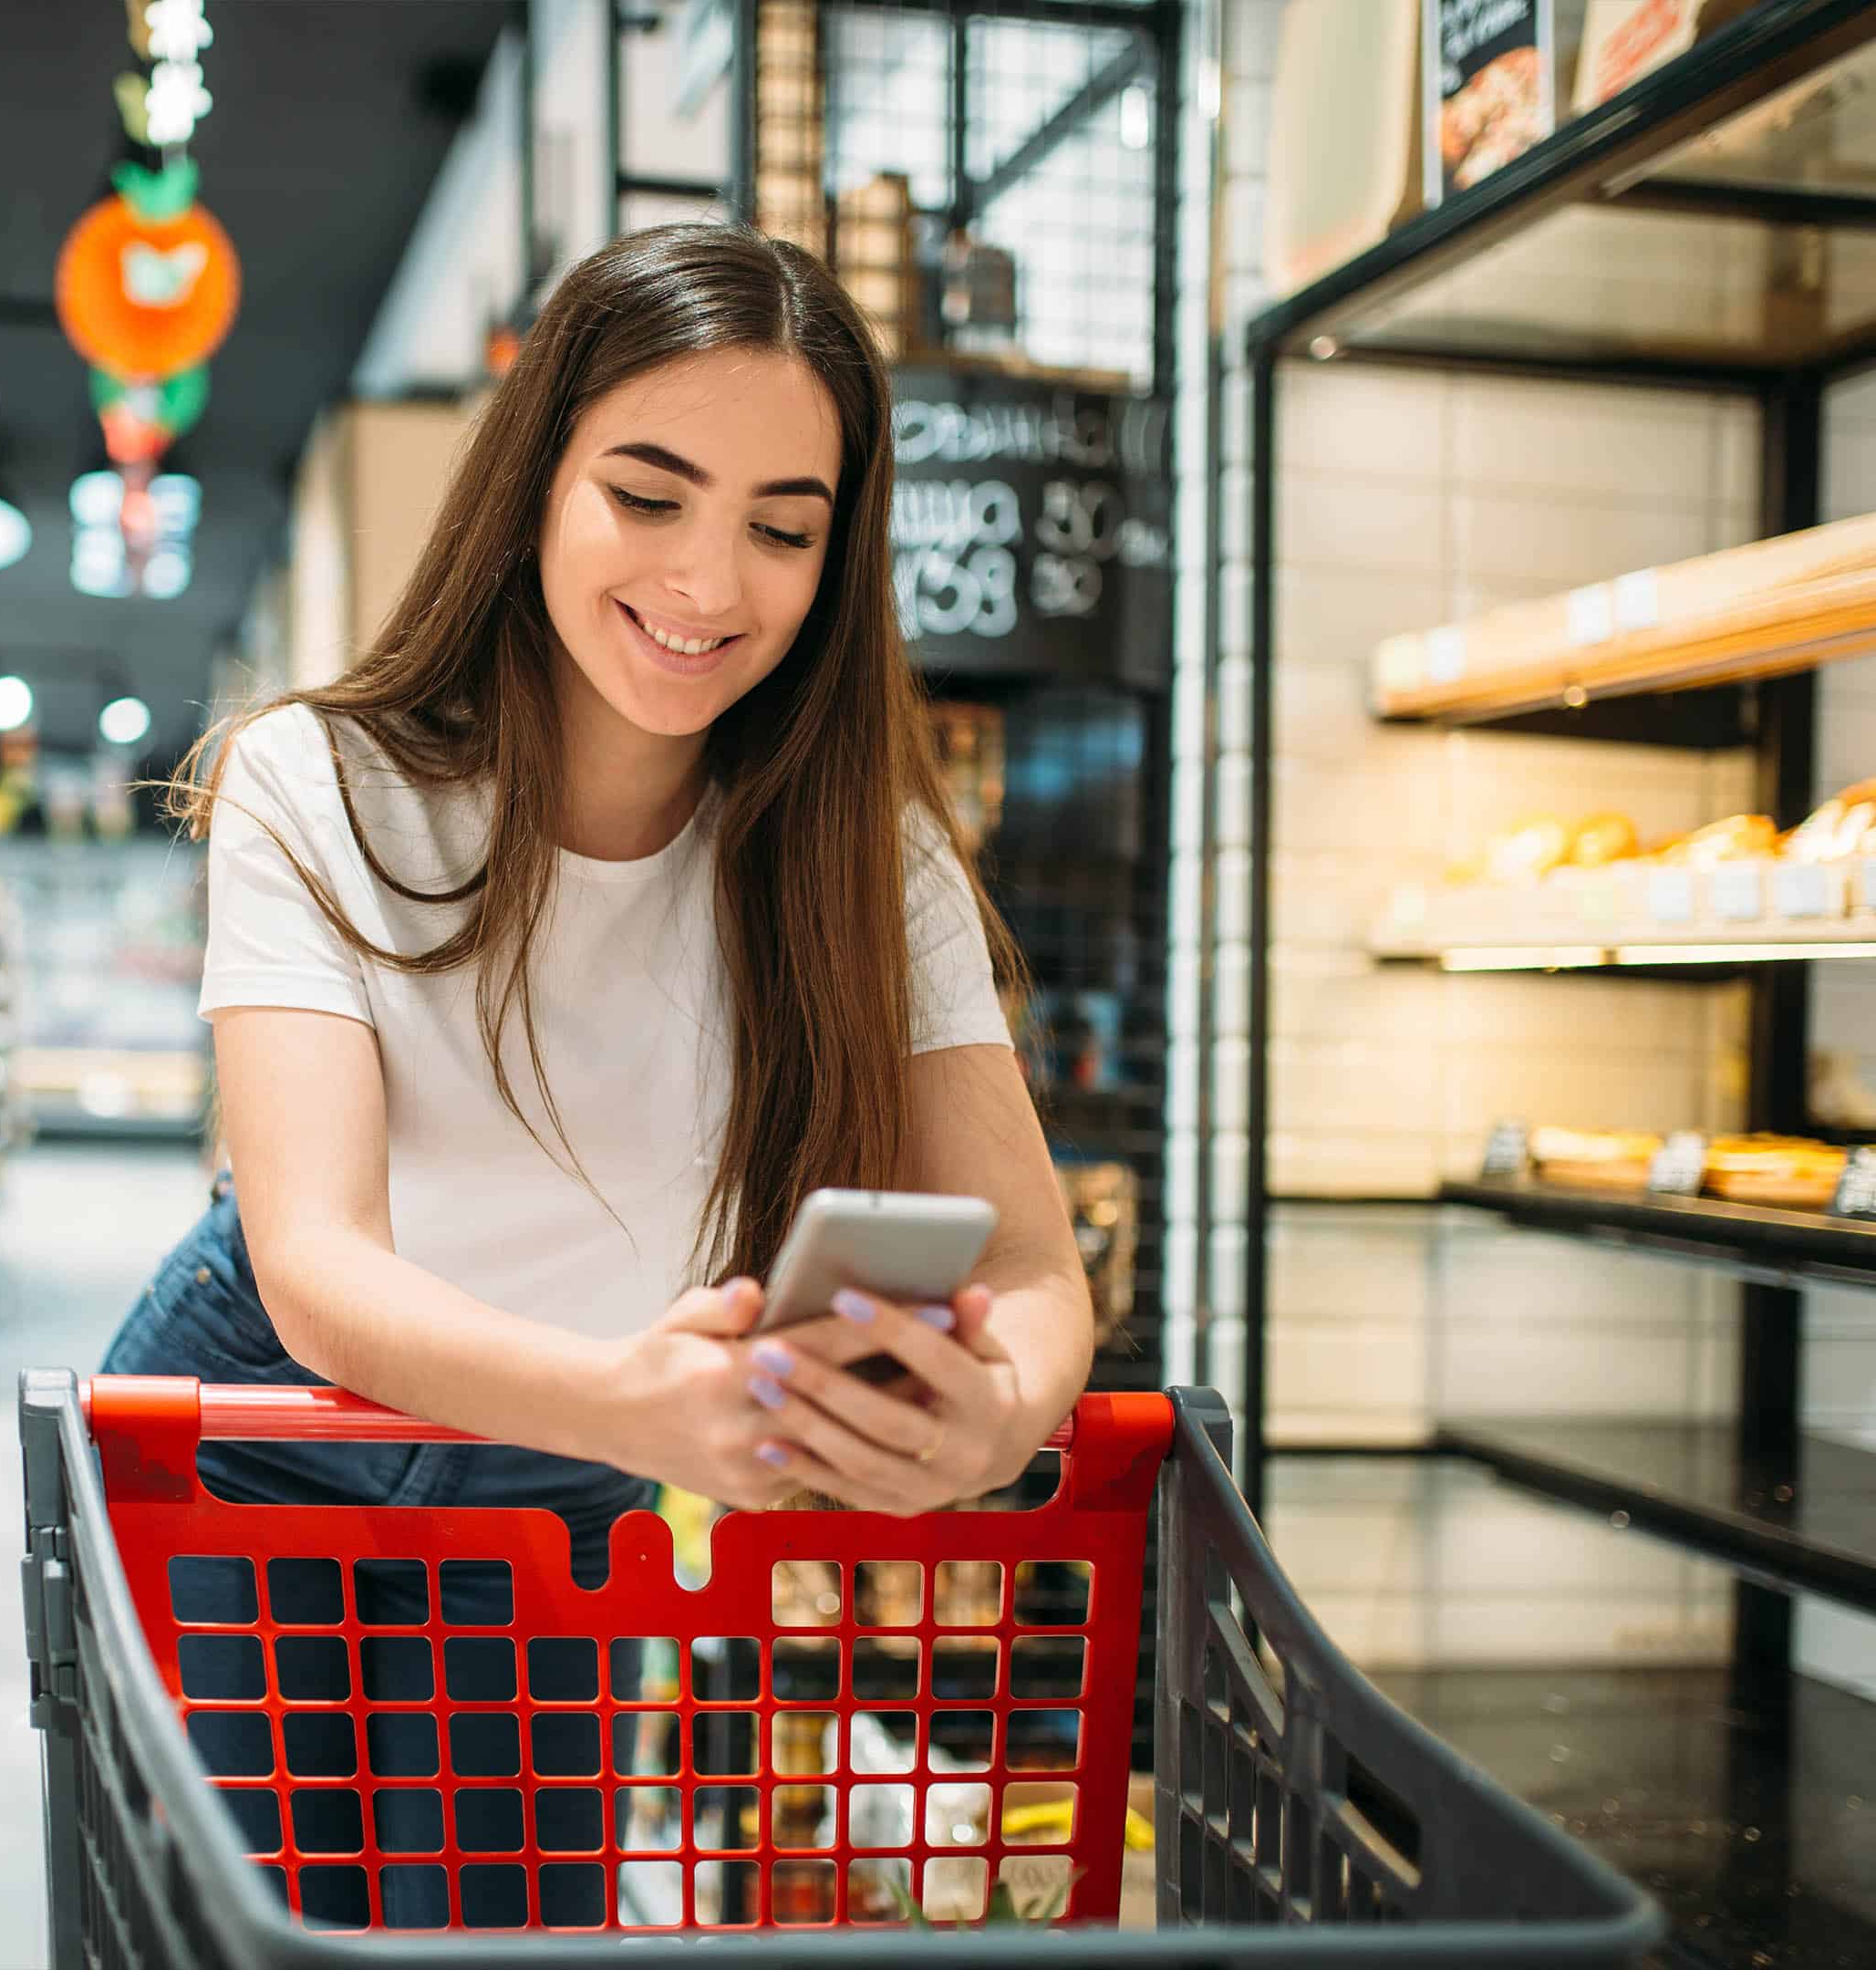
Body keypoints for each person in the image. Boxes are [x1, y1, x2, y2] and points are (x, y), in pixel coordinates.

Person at [99, 223, 1096, 1930]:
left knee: (502, 1941)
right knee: (244, 1934)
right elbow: (319, 1267)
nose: (711, 583)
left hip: (550, 1477)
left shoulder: (870, 863)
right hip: (266, 1429)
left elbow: (1025, 1266)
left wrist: (989, 1421)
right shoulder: (318, 785)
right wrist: (643, 1413)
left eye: (784, 529)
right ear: (535, 477)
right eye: (649, 496)